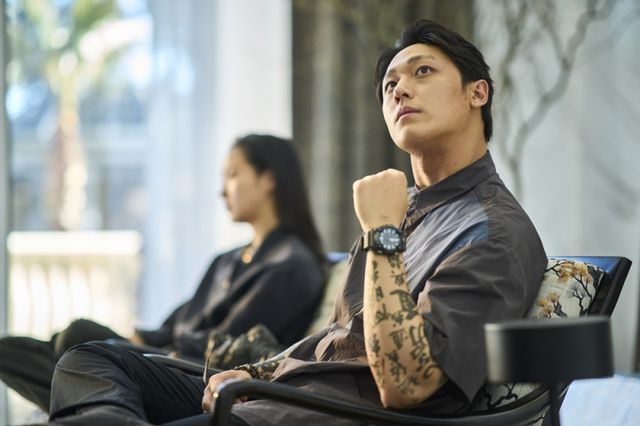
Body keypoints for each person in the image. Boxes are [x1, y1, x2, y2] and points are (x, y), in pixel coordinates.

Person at [41, 19, 547, 426]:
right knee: (88, 359)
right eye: (389, 84)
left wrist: (381, 233)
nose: (399, 91)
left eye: (422, 72)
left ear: (477, 93)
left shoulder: (492, 230)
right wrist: (256, 370)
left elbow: (407, 384)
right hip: (280, 395)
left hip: (323, 414)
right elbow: (339, 337)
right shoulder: (403, 206)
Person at [0, 134, 325, 414]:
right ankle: (86, 399)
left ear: (269, 179)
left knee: (78, 337)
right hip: (170, 354)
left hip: (199, 371)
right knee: (14, 350)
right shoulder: (227, 260)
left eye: (233, 174)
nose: (222, 191)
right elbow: (182, 318)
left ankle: (83, 398)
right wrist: (146, 337)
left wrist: (152, 342)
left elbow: (232, 339)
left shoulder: (292, 264)